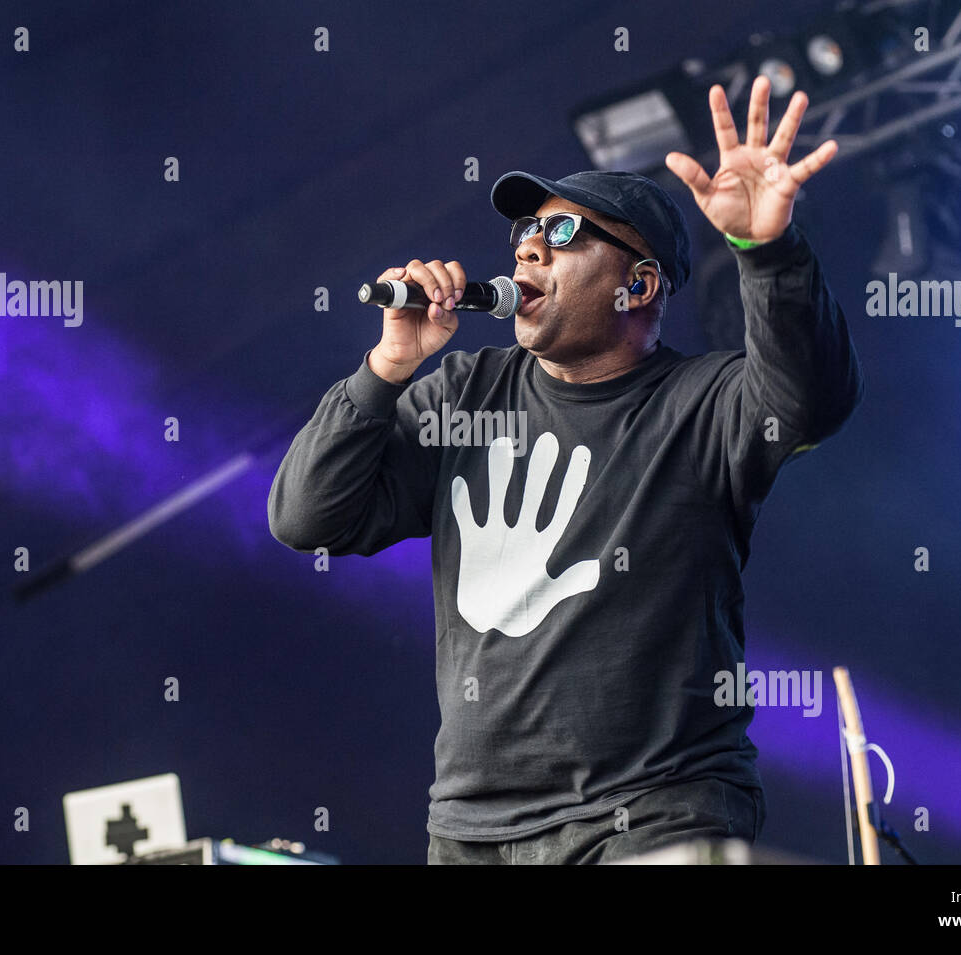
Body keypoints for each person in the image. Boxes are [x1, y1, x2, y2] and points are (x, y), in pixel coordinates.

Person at [268, 76, 864, 864]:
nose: (526, 246)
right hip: (473, 831)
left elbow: (810, 399)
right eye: (522, 229)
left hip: (654, 810)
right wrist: (387, 366)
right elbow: (307, 518)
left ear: (637, 285)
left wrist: (766, 250)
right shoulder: (464, 392)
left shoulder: (702, 404)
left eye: (561, 229)